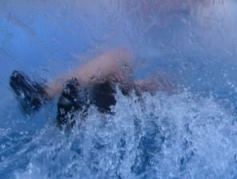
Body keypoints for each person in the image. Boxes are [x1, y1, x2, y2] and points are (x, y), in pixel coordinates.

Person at [8, 48, 166, 128]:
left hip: (148, 106)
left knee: (121, 57)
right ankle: (78, 115)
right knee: (119, 65)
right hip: (139, 102)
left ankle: (46, 95)